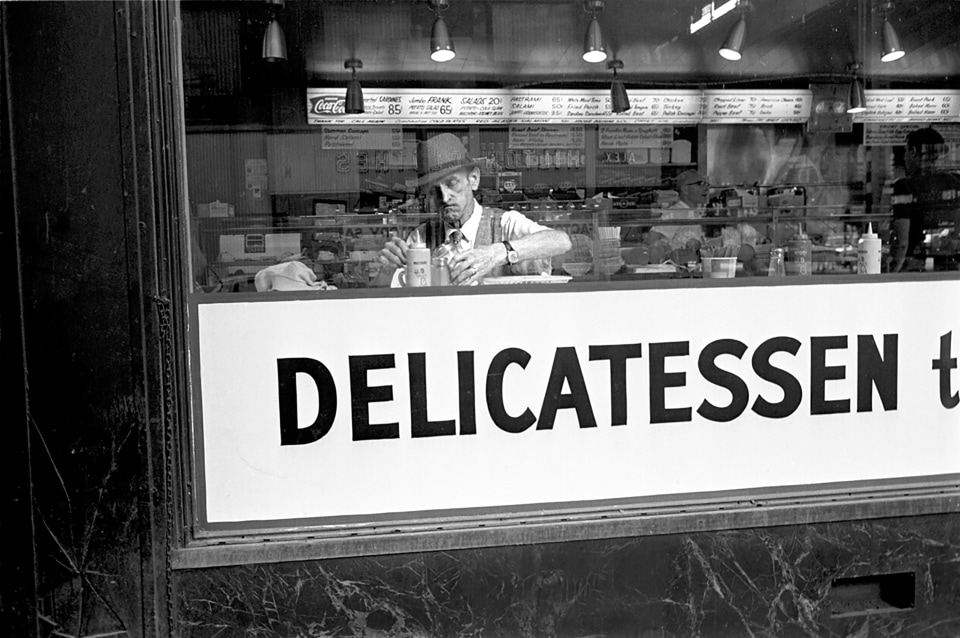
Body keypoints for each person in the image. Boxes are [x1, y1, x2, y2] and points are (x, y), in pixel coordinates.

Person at [377, 133, 572, 285]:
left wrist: (496, 253)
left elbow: (560, 241)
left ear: (474, 179)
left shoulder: (504, 224)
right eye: (435, 191)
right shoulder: (421, 237)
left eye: (452, 183)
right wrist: (388, 269)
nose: (445, 198)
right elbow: (382, 294)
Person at [889, 127, 960, 272]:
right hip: (951, 266)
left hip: (915, 268)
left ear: (913, 152)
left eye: (906, 151)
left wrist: (891, 272)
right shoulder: (956, 182)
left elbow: (901, 243)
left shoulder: (905, 186)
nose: (904, 157)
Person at [648, 169, 709, 250]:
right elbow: (653, 237)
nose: (705, 188)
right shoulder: (676, 212)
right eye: (699, 184)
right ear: (685, 189)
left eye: (705, 184)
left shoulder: (694, 212)